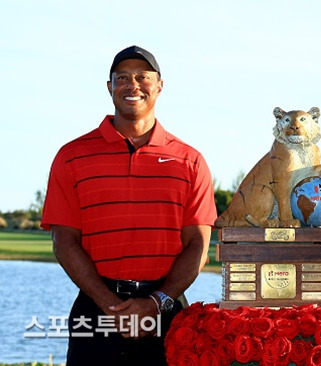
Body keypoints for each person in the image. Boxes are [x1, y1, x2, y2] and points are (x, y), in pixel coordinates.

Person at [41, 45, 217, 366]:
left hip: (165, 309)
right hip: (96, 308)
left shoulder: (190, 161)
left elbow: (199, 244)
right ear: (109, 88)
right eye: (122, 78)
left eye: (142, 77)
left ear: (159, 86)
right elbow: (64, 241)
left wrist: (156, 301)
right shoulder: (71, 156)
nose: (132, 85)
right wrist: (111, 306)